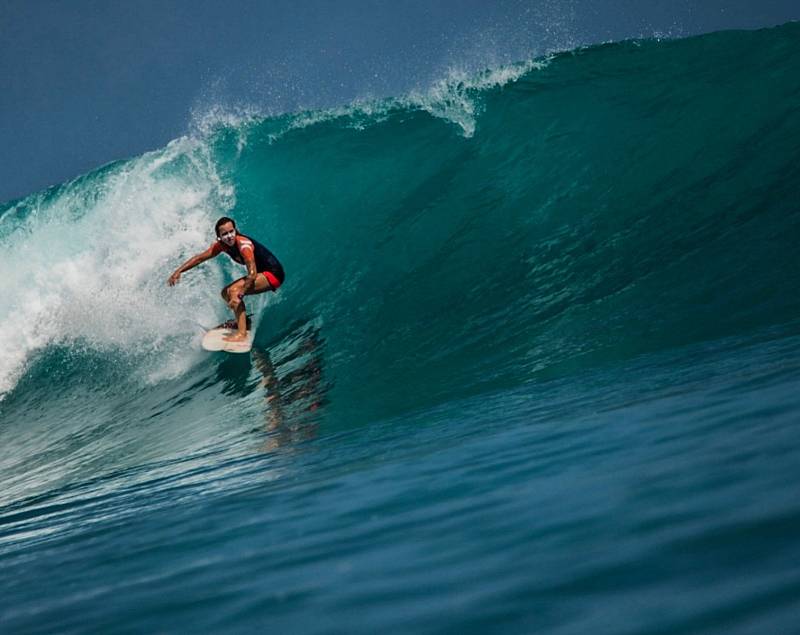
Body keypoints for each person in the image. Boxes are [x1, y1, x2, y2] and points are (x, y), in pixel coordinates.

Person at [167, 216, 285, 341]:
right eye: (225, 234)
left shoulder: (244, 246)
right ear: (219, 236)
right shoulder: (222, 246)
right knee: (225, 293)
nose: (229, 236)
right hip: (262, 273)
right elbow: (200, 258)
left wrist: (240, 295)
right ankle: (244, 322)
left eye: (231, 232)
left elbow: (252, 274)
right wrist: (179, 271)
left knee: (234, 291)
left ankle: (242, 334)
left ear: (235, 230)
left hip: (273, 274)